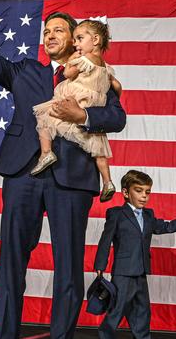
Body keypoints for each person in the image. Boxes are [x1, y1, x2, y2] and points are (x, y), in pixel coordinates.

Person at [0, 0, 126, 339]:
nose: (50, 35)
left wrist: (82, 115)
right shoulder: (26, 71)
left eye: (59, 30)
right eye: (46, 31)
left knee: (68, 267)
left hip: (72, 179)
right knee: (12, 262)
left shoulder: (98, 75)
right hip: (22, 174)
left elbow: (117, 118)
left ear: (76, 39)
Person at [94, 170, 176, 339]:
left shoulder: (148, 215)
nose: (144, 196)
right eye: (138, 190)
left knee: (142, 311)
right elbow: (105, 240)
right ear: (126, 192)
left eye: (147, 192)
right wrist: (100, 264)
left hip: (141, 272)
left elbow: (167, 227)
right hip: (123, 273)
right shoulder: (116, 214)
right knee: (117, 310)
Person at [31, 18, 121, 202]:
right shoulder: (106, 66)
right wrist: (104, 97)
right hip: (94, 101)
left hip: (75, 97)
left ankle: (46, 153)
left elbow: (68, 74)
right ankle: (108, 181)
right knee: (99, 151)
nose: (76, 43)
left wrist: (72, 62)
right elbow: (117, 85)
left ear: (95, 40)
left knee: (44, 118)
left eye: (79, 38)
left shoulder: (83, 60)